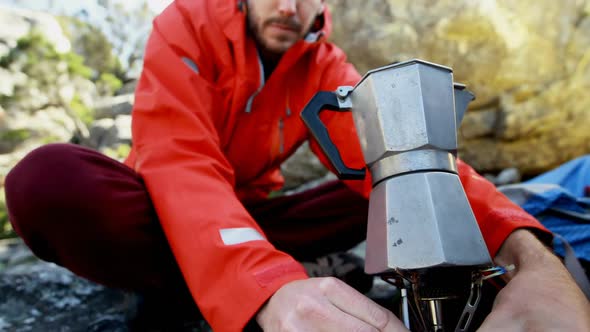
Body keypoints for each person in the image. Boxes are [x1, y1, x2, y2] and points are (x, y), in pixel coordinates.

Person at [4, 0, 590, 331]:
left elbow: (410, 157)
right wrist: (273, 289)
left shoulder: (324, 66)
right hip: (164, 211)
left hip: (258, 221)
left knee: (400, 183)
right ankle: (223, 281)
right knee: (51, 181)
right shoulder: (186, 24)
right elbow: (179, 162)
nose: (288, 6)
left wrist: (529, 254)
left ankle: (206, 285)